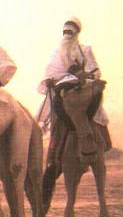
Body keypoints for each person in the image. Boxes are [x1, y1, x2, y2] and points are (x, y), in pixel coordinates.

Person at [37, 16, 112, 201]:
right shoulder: (56, 52)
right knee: (59, 118)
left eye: (70, 32)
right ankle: (54, 156)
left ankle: (97, 146)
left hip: (83, 87)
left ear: (77, 33)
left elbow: (95, 71)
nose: (67, 35)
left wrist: (82, 75)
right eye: (65, 32)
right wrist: (58, 79)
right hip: (63, 89)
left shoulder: (85, 49)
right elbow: (51, 72)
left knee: (93, 105)